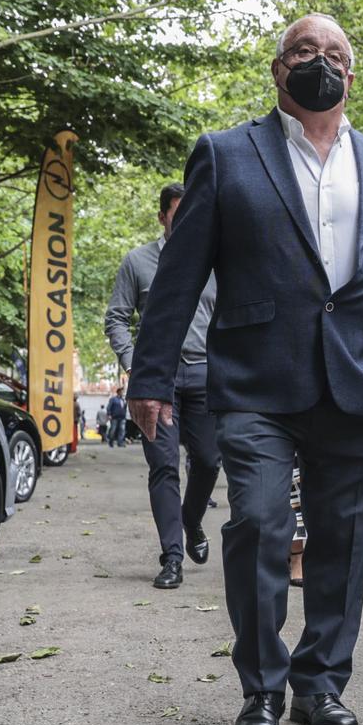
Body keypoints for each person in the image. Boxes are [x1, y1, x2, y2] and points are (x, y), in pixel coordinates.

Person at [129, 13, 363, 725]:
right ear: (277, 68)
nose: (318, 62)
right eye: (303, 50)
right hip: (257, 381)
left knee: (344, 539)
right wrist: (151, 376)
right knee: (258, 522)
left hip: (360, 382)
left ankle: (320, 682)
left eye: (333, 54)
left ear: (351, 76)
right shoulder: (227, 156)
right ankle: (261, 686)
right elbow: (180, 273)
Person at [106, 183, 219, 589]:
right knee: (164, 466)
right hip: (159, 380)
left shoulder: (215, 262)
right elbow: (116, 318)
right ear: (162, 217)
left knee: (208, 460)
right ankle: (172, 557)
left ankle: (192, 519)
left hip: (207, 376)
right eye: (177, 213)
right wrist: (137, 366)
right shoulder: (138, 262)